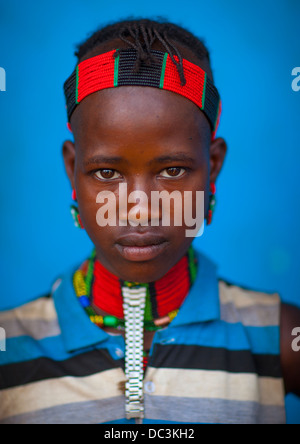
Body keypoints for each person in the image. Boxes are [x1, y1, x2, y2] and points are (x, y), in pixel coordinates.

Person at [0, 18, 299, 425]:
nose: (139, 207)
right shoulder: (11, 349)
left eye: (173, 170)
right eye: (107, 173)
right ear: (72, 170)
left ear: (212, 167)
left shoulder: (277, 337)